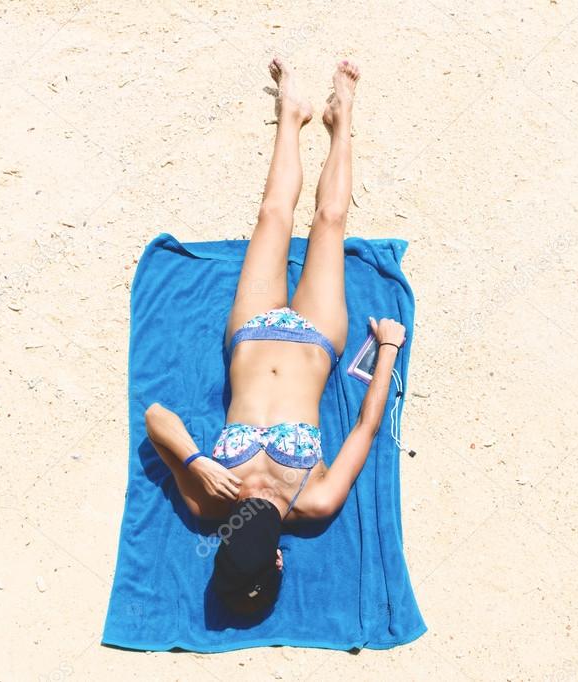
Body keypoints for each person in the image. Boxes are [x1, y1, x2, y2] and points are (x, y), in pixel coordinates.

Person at [143, 58, 406, 616]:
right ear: (281, 556)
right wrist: (386, 349)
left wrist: (194, 461)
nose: (256, 504)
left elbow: (156, 418)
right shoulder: (314, 499)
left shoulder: (208, 501)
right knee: (331, 220)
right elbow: (367, 425)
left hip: (252, 329)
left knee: (271, 215)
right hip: (316, 334)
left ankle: (292, 115)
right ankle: (342, 119)